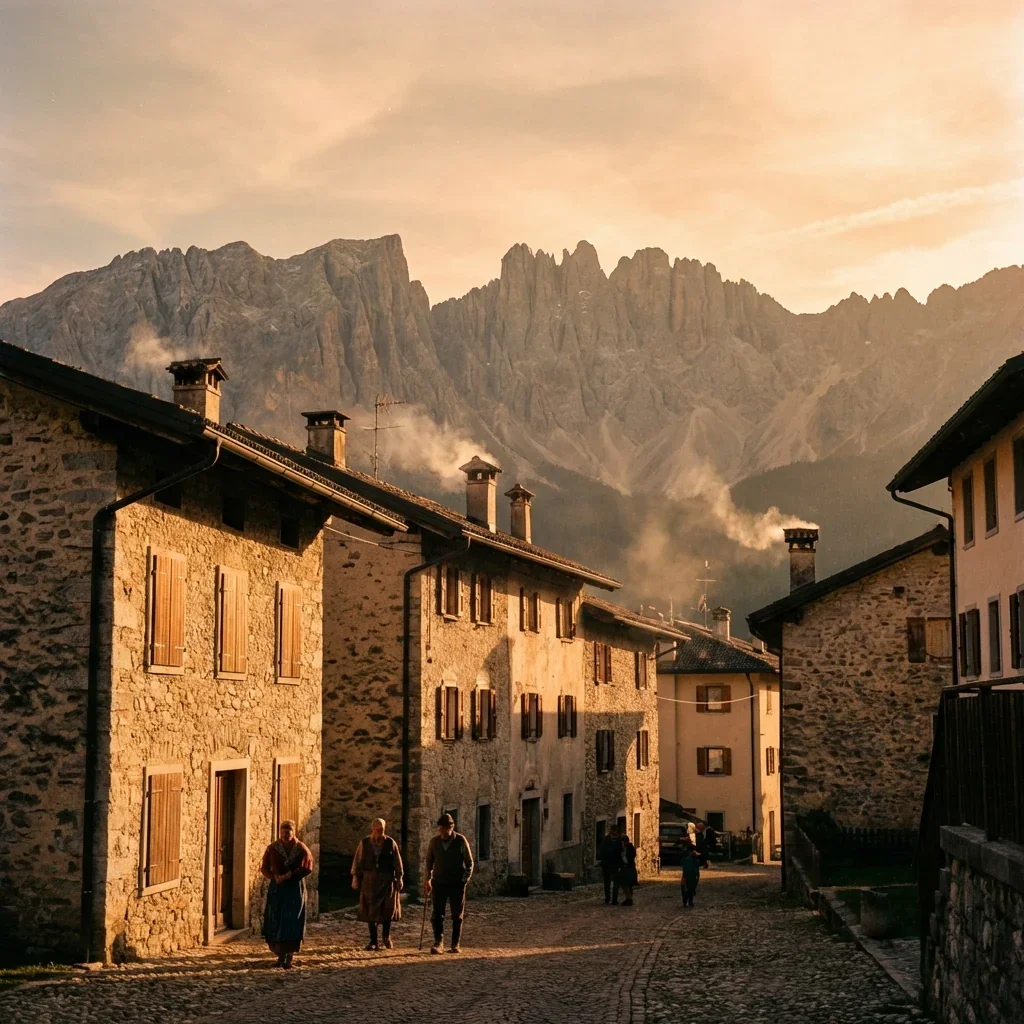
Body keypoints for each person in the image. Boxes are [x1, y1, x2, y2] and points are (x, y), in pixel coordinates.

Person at [260, 819, 314, 968]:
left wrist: (292, 875)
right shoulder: (273, 848)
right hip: (277, 890)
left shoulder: (301, 848)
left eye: (288, 832)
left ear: (293, 832)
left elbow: (308, 867)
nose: (285, 835)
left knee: (292, 921)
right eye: (282, 833)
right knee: (277, 919)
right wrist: (275, 877)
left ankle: (289, 956)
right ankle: (280, 956)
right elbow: (264, 867)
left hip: (294, 889)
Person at [351, 817, 404, 951]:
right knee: (370, 909)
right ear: (372, 829)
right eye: (375, 829)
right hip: (369, 880)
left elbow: (397, 862)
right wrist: (355, 877)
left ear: (383, 829)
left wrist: (400, 877)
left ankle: (386, 936)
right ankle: (373, 940)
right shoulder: (365, 842)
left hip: (387, 880)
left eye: (380, 829)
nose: (377, 832)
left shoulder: (390, 842)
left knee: (387, 908)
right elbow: (357, 861)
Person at [424, 813, 474, 954]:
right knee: (437, 914)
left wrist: (464, 880)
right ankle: (438, 943)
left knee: (457, 915)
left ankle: (455, 944)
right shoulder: (434, 842)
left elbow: (469, 863)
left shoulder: (460, 841)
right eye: (440, 829)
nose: (442, 832)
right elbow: (429, 862)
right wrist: (427, 879)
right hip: (439, 882)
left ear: (451, 827)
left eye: (444, 829)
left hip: (456, 883)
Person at [598, 826, 622, 905]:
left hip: (614, 864)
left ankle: (614, 900)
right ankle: (608, 898)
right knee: (607, 882)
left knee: (616, 882)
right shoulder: (606, 840)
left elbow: (620, 853)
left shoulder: (618, 841)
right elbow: (601, 851)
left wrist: (620, 864)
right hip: (607, 864)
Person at [614, 832, 638, 906]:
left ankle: (629, 899)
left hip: (629, 868)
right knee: (626, 884)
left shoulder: (630, 848)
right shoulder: (626, 848)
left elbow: (628, 859)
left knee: (626, 884)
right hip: (628, 868)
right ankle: (629, 899)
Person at [680, 839, 701, 907]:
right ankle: (689, 901)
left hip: (688, 875)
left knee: (687, 889)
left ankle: (686, 901)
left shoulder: (688, 857)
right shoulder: (692, 858)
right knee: (690, 889)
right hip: (690, 875)